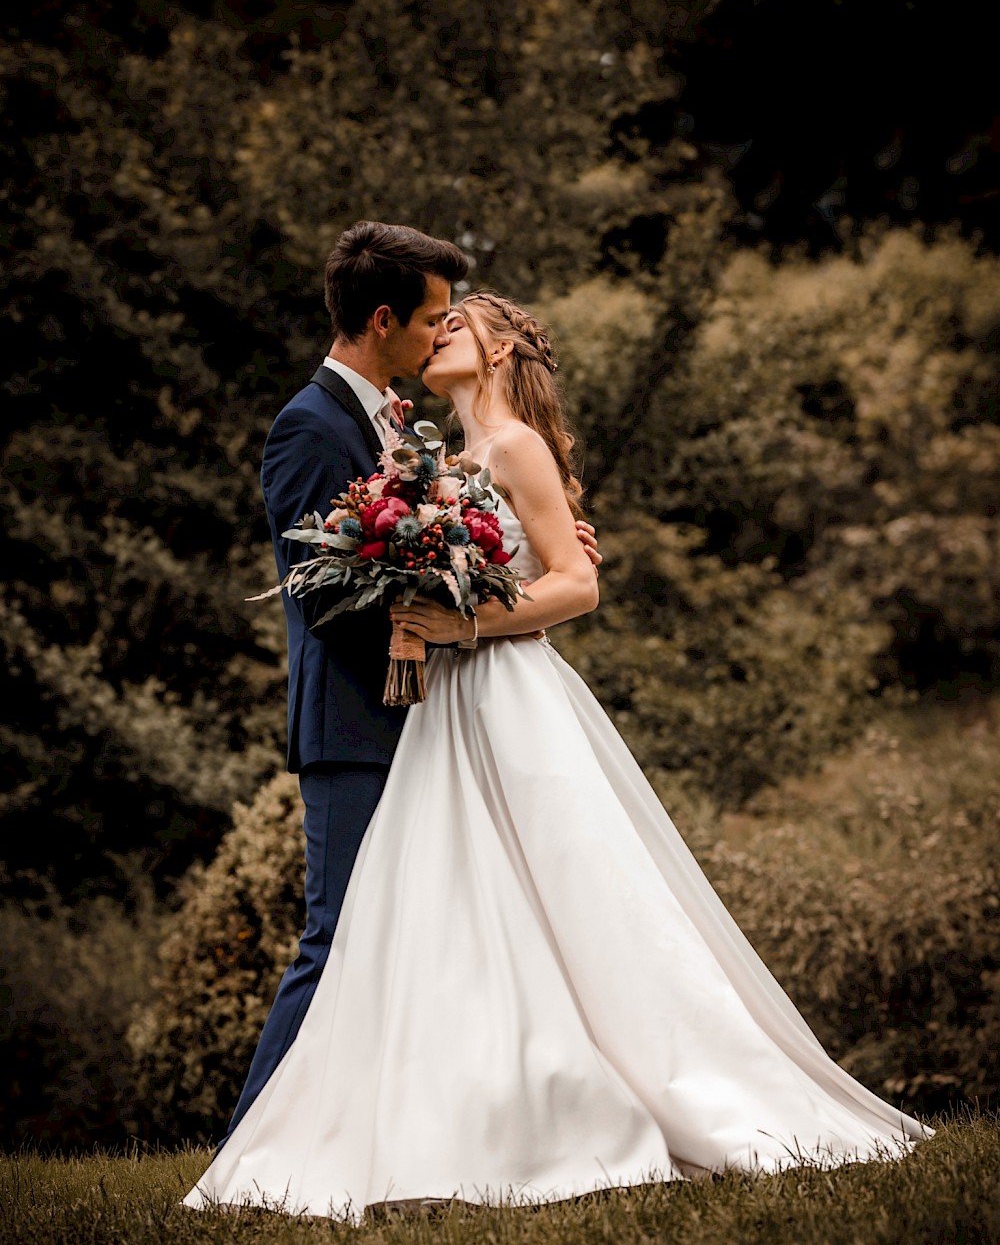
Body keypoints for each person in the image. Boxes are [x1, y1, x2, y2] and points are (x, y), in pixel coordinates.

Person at [185, 289, 929, 1218]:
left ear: (498, 353)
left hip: (509, 696)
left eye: (457, 325)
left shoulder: (514, 448)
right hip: (445, 711)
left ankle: (650, 1084)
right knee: (462, 908)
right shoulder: (440, 461)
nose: (439, 333)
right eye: (434, 320)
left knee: (577, 898)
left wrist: (461, 622)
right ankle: (483, 1103)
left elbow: (574, 585)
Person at [218, 223, 602, 1149]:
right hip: (356, 724)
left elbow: (502, 556)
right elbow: (324, 597)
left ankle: (428, 1131)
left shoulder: (407, 425)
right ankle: (252, 1146)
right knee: (339, 939)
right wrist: (458, 598)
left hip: (443, 718)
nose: (439, 333)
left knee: (440, 936)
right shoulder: (310, 426)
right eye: (432, 317)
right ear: (383, 319)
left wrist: (496, 580)